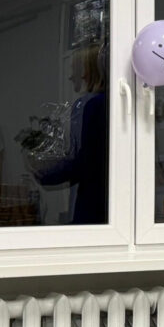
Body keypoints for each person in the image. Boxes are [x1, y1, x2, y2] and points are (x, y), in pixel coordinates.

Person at [33, 43, 109, 224]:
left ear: (86, 72)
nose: (70, 76)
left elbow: (86, 160)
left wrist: (45, 174)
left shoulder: (94, 105)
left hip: (93, 204)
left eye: (74, 69)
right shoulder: (100, 103)